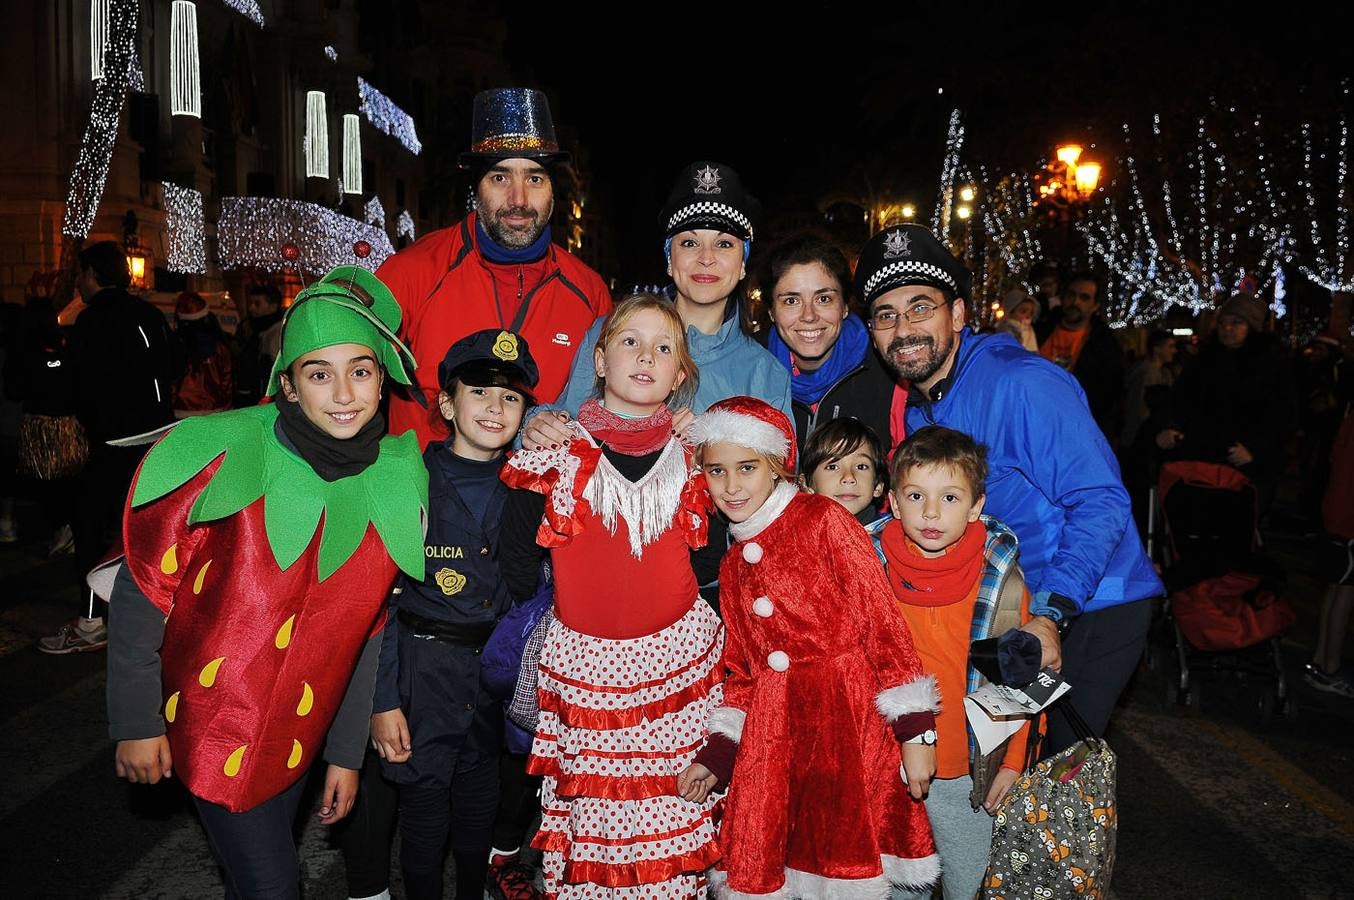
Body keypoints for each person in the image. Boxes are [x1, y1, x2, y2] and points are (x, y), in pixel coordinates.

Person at [100, 266, 428, 898]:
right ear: (288, 384)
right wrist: (136, 720)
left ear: (383, 380)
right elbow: (144, 595)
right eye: (318, 372)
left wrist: (343, 754)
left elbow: (364, 636)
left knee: (252, 878)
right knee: (273, 883)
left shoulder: (397, 483)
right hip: (206, 719)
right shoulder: (221, 458)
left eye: (360, 371)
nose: (342, 392)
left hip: (296, 737)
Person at [858, 224, 1159, 755]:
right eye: (887, 315)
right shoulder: (913, 399)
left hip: (1086, 603)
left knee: (1052, 784)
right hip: (1010, 605)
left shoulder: (1021, 383)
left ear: (956, 315)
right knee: (994, 765)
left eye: (920, 307)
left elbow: (1101, 499)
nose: (904, 328)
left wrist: (1051, 614)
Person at [498, 294, 725, 900]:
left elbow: (709, 555)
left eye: (663, 348)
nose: (644, 356)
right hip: (585, 668)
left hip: (676, 670)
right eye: (630, 342)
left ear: (679, 376)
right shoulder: (554, 451)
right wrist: (556, 612)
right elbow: (517, 549)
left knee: (674, 817)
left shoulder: (698, 457)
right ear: (599, 360)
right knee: (593, 825)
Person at [681, 395, 939, 898]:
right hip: (775, 737)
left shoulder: (824, 519)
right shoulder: (732, 566)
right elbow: (744, 673)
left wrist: (915, 733)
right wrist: (717, 754)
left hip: (850, 721)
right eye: (716, 471)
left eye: (747, 468)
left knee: (850, 861)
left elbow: (884, 628)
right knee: (777, 861)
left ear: (777, 468)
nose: (731, 486)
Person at [363, 329, 539, 900]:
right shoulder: (409, 482)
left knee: (479, 805)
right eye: (480, 392)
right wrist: (383, 699)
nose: (495, 407)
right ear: (446, 403)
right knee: (423, 812)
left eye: (511, 397)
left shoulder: (531, 487)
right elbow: (379, 604)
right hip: (423, 672)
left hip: (494, 675)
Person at [375, 88, 612, 448]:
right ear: (477, 187)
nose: (518, 200)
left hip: (539, 501)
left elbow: (614, 407)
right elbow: (328, 370)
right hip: (425, 498)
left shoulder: (590, 293)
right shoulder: (411, 273)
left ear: (553, 190)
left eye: (534, 178)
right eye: (500, 178)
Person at [869, 426, 1035, 900]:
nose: (932, 513)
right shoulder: (870, 569)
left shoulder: (1001, 581)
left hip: (969, 771)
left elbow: (1017, 683)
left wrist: (1013, 763)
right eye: (916, 496)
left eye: (950, 497)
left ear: (976, 506)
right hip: (890, 763)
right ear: (895, 504)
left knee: (970, 885)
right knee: (902, 885)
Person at [520, 161, 791, 450]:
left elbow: (779, 481)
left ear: (742, 265)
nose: (706, 258)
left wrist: (711, 446)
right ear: (670, 260)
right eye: (689, 243)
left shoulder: (767, 375)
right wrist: (536, 425)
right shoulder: (611, 332)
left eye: (724, 244)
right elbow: (567, 421)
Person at [40, 241, 174, 655]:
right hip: (158, 437)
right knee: (147, 530)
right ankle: (159, 613)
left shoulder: (93, 319)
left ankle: (91, 620)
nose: (78, 282)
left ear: (93, 275)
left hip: (115, 441)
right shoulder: (150, 314)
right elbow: (173, 363)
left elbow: (80, 383)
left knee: (91, 530)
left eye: (81, 274)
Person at [1156, 293, 1296, 514]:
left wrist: (1255, 450)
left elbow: (1282, 417)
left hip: (1244, 466)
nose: (1227, 328)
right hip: (1201, 460)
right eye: (1223, 322)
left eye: (1236, 323)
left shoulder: (1272, 367)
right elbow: (1179, 400)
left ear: (1251, 326)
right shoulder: (1203, 363)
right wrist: (1170, 427)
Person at [761, 233, 898, 451]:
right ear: (771, 312)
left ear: (844, 306)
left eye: (823, 299)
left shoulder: (887, 371)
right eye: (792, 301)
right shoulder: (750, 372)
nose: (809, 315)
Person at [1038, 271, 1124, 442]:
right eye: (1071, 295)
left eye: (1084, 298)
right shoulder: (1038, 330)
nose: (1075, 302)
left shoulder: (1105, 346)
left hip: (1076, 435)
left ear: (1095, 305)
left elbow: (1108, 398)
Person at [799, 416, 888, 523]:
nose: (849, 477)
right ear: (805, 484)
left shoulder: (890, 536)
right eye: (832, 467)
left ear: (878, 486)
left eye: (861, 467)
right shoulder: (793, 534)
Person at [171, 291, 234, 416]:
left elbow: (171, 380)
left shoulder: (174, 344)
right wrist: (227, 406)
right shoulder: (219, 345)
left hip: (181, 410)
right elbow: (226, 380)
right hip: (214, 409)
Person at [1121, 329, 1177, 448]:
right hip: (1139, 438)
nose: (1174, 351)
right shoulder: (1146, 374)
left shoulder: (1164, 373)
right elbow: (1137, 407)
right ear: (1157, 349)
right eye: (1170, 346)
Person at [232, 283, 284, 409]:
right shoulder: (249, 327)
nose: (251, 308)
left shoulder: (278, 332)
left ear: (273, 306)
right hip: (247, 394)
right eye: (251, 303)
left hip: (264, 399)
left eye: (257, 303)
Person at [995, 287, 1039, 353]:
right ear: (1010, 313)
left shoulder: (1029, 329)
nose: (1028, 315)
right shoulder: (1006, 327)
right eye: (1023, 311)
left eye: (1031, 313)